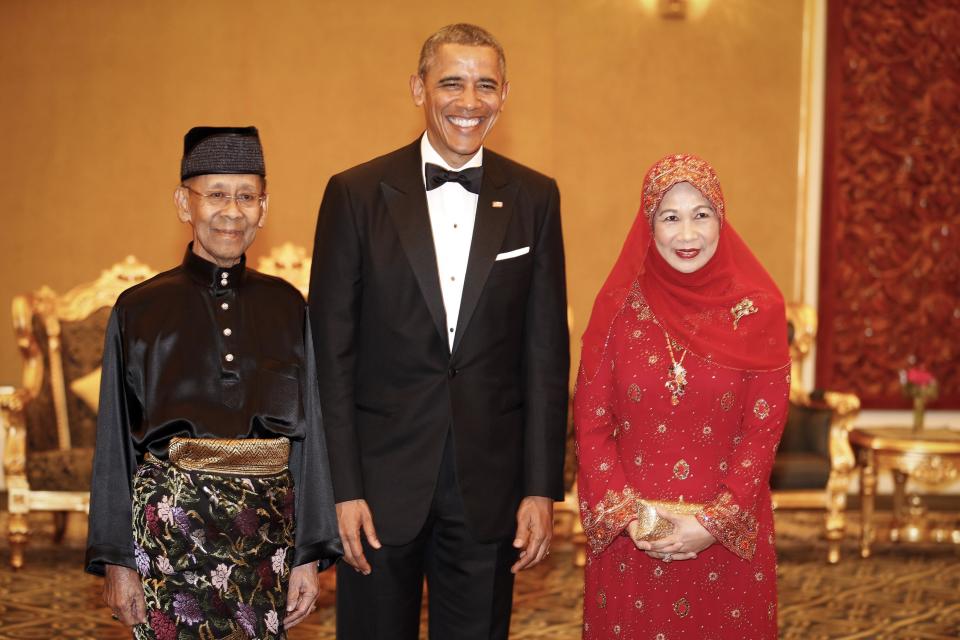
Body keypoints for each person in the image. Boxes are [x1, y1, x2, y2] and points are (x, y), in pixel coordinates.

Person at [308, 23, 569, 640]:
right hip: (376, 489)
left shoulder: (536, 197)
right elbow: (330, 357)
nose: (468, 102)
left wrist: (540, 489)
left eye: (485, 85)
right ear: (418, 88)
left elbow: (545, 357)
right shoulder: (354, 194)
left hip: (490, 490)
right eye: (451, 82)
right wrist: (340, 488)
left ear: (505, 95)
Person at [85, 126, 341, 639]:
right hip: (168, 536)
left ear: (263, 209)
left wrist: (308, 555)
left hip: (265, 539)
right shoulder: (139, 308)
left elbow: (310, 438)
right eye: (216, 194)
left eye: (246, 196)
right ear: (185, 204)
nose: (232, 211)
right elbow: (113, 444)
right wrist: (118, 560)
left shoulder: (288, 306)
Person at [574, 154, 790, 638]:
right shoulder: (617, 310)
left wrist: (714, 524)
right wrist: (631, 519)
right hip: (633, 543)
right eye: (669, 217)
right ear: (648, 226)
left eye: (701, 214)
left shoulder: (759, 311)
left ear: (721, 219)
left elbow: (763, 431)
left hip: (728, 544)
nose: (687, 234)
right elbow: (590, 424)